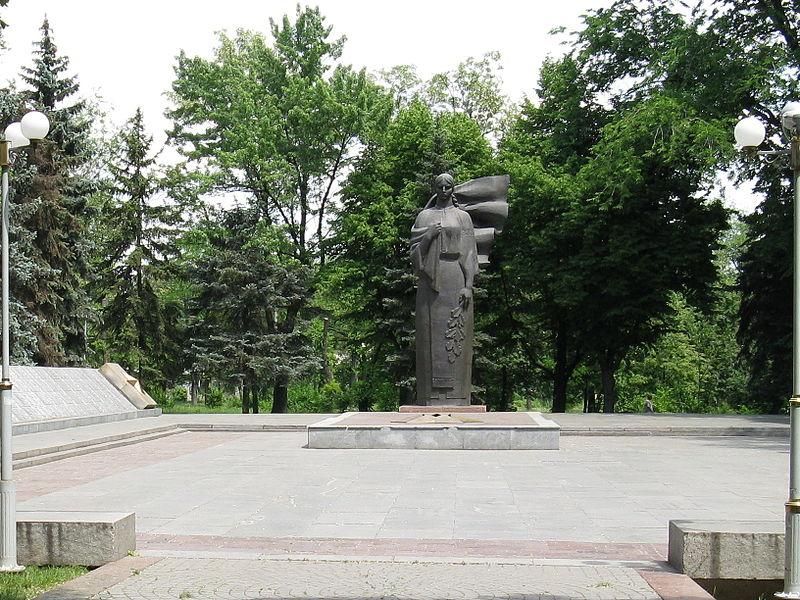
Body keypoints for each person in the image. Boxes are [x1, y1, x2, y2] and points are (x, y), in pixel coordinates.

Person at [410, 173, 479, 405]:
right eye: (439, 186)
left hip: (455, 279)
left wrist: (468, 286)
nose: (443, 190)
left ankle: (457, 396)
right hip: (429, 282)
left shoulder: (463, 217)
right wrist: (429, 236)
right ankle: (429, 397)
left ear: (453, 189)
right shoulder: (424, 216)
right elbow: (414, 254)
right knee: (429, 333)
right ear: (435, 188)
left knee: (457, 334)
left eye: (448, 186)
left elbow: (469, 253)